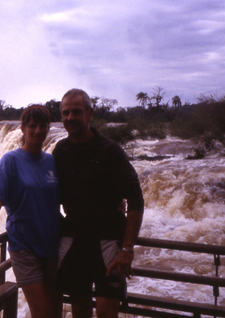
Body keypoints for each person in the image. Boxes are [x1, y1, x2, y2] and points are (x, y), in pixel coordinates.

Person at [53, 89, 144, 318]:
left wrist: (128, 249)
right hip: (73, 241)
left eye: (76, 111)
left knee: (107, 313)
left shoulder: (110, 151)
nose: (70, 118)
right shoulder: (60, 151)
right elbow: (48, 193)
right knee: (79, 311)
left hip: (109, 244)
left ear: (90, 113)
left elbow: (136, 199)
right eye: (65, 113)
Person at [0, 105, 61, 318]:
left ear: (48, 128)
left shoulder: (51, 161)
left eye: (43, 126)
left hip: (52, 246)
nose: (38, 130)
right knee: (41, 311)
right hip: (24, 247)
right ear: (23, 128)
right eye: (32, 126)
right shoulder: (10, 160)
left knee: (55, 310)